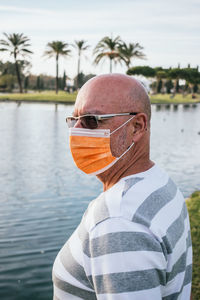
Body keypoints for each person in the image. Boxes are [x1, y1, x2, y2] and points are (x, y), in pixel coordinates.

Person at [52, 74, 192, 299]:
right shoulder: (160, 183)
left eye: (91, 120)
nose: (76, 130)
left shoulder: (119, 222)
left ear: (136, 127)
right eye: (74, 119)